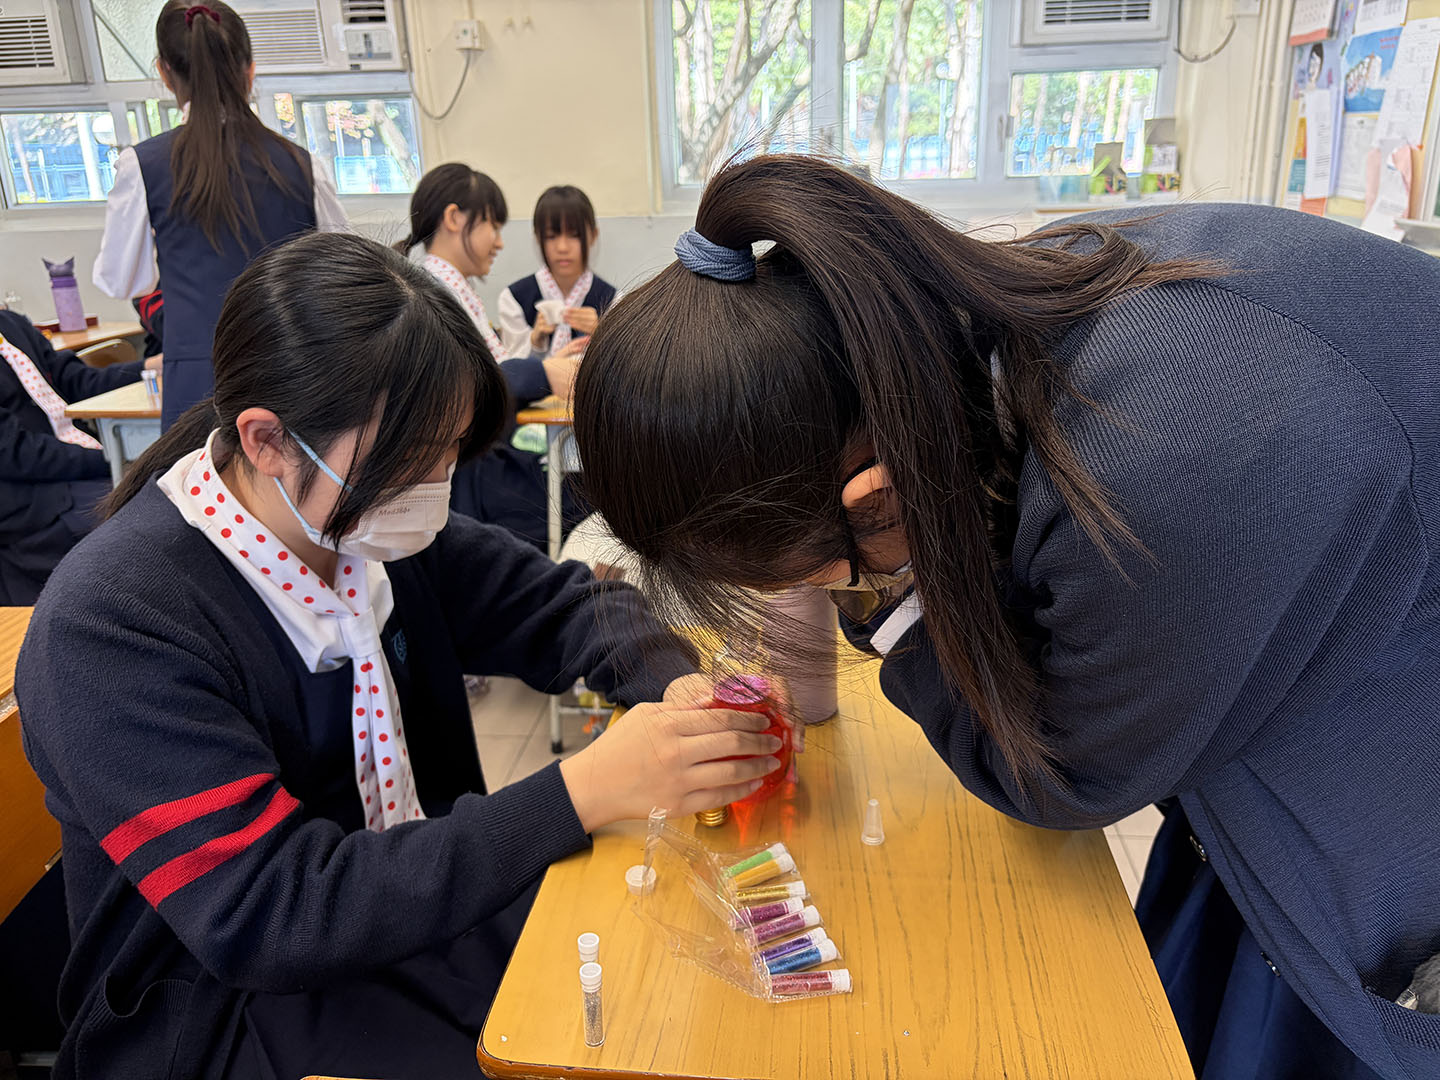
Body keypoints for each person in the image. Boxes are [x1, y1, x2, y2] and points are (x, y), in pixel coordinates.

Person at [571, 155, 1440, 1080]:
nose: (839, 597)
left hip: (1383, 807)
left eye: (826, 577)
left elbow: (1064, 776)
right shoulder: (983, 329)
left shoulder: (1158, 471)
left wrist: (892, 600)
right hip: (1265, 774)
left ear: (876, 498)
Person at [17, 232, 784, 1079]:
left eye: (446, 454)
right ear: (267, 441)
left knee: (653, 977)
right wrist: (587, 787)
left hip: (398, 910)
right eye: (411, 461)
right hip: (216, 1006)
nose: (433, 488)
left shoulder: (367, 531)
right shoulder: (113, 625)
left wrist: (678, 689)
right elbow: (273, 913)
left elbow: (569, 606)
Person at [93, 0, 347, 430]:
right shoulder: (302, 165)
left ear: (164, 73)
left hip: (199, 378)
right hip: (296, 370)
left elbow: (122, 281)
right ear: (250, 71)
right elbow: (342, 273)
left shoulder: (143, 166)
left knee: (203, 475)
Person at [399, 163, 587, 548]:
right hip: (472, 476)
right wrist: (543, 373)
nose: (499, 242)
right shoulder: (432, 296)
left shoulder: (449, 289)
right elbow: (469, 385)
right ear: (454, 218)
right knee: (590, 495)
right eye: (493, 226)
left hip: (482, 461)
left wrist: (544, 367)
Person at [0, 309, 151, 603]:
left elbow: (75, 380)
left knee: (170, 487)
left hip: (72, 466)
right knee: (146, 513)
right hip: (32, 499)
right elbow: (17, 453)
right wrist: (110, 460)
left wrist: (148, 367)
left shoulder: (10, 325)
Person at [496, 184, 618, 362]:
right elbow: (509, 370)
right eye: (551, 236)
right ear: (538, 238)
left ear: (593, 235)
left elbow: (626, 367)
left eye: (574, 235)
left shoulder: (613, 301)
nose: (562, 247)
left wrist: (603, 334)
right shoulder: (513, 299)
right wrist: (534, 342)